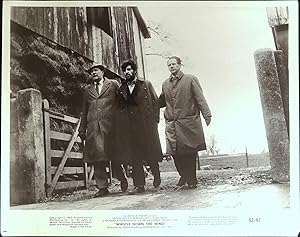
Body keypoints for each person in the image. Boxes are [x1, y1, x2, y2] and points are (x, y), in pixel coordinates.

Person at [159, 56, 212, 189]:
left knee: (189, 152)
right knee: (175, 153)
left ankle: (192, 179)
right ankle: (183, 175)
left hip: (188, 123)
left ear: (180, 65)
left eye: (174, 64)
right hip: (172, 124)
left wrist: (207, 114)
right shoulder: (165, 83)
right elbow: (160, 102)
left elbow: (200, 98)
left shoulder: (190, 79)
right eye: (169, 65)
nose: (171, 67)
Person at [113, 59, 163, 194]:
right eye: (125, 70)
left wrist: (155, 121)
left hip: (146, 125)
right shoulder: (121, 88)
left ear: (134, 71)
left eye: (129, 69)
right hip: (130, 127)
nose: (127, 72)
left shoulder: (146, 84)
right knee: (135, 156)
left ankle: (156, 174)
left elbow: (155, 102)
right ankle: (139, 184)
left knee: (150, 152)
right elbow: (119, 108)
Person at [78, 63, 128, 197]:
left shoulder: (113, 84)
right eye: (92, 71)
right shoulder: (87, 90)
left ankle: (121, 177)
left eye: (96, 71)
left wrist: (123, 123)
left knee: (114, 156)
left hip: (111, 127)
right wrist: (82, 129)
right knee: (97, 158)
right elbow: (84, 110)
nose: (93, 73)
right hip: (94, 128)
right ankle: (102, 188)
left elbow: (121, 104)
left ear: (102, 72)